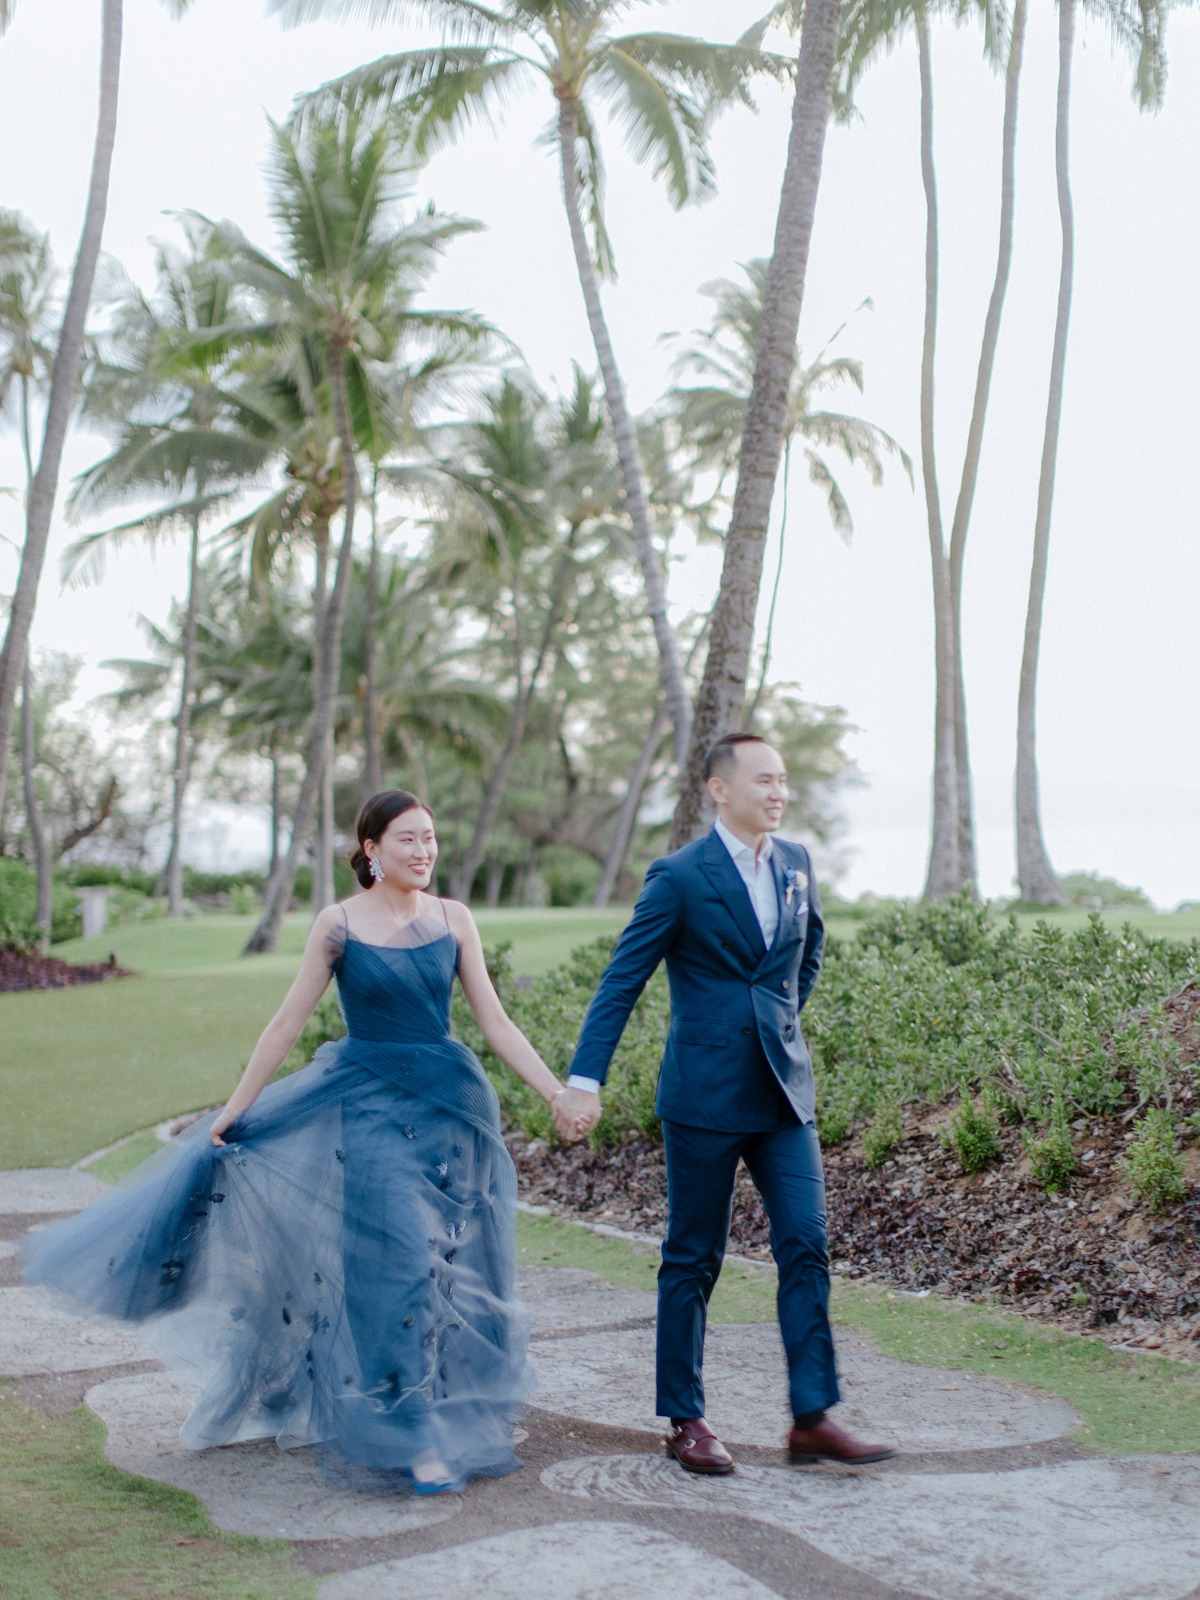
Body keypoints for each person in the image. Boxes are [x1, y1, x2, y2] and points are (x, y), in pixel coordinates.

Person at [20, 789, 582, 1497]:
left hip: (450, 1109)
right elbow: (285, 1024)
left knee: (453, 1271)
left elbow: (496, 1025)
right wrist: (234, 1108)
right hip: (368, 1108)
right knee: (399, 1265)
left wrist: (555, 1092)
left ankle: (439, 1411)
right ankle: (406, 1432)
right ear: (371, 850)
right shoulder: (339, 925)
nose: (424, 851)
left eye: (431, 838)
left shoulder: (454, 920)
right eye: (407, 839)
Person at [564, 732, 897, 1474]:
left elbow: (805, 955)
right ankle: (686, 1418)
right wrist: (585, 1078)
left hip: (783, 1094)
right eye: (763, 780)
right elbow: (623, 979)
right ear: (719, 788)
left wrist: (776, 1022)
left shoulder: (797, 864)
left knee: (806, 1244)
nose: (778, 792)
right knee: (693, 1257)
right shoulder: (679, 876)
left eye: (783, 780)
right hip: (702, 1097)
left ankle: (812, 1418)